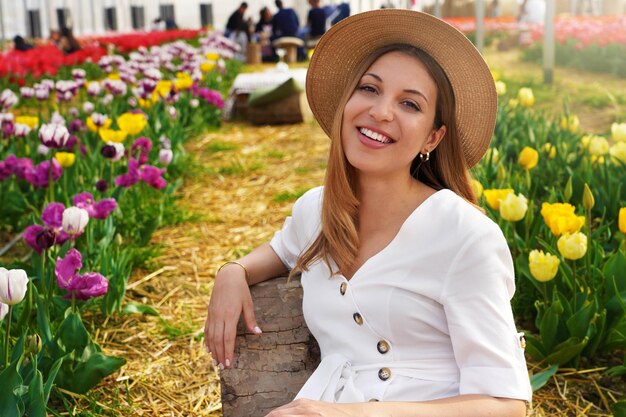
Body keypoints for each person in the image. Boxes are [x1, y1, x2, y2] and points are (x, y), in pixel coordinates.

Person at [205, 9, 532, 416]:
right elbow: (278, 252)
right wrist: (232, 271)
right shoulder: (316, 211)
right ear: (347, 102)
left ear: (433, 136)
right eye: (369, 89)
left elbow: (507, 404)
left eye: (410, 103)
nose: (380, 112)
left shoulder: (465, 236)